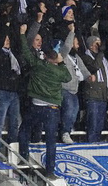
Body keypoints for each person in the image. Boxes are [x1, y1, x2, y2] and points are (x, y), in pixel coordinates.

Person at [17, 23, 71, 176]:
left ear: (45, 56)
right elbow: (68, 77)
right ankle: (50, 171)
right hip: (52, 109)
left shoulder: (38, 65)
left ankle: (23, 158)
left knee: (24, 131)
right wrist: (61, 62)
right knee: (50, 140)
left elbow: (26, 52)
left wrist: (22, 35)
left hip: (36, 106)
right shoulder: (60, 71)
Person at [80, 35, 108, 143]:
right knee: (93, 123)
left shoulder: (104, 59)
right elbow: (94, 67)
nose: (100, 46)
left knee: (100, 123)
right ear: (91, 46)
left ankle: (97, 142)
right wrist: (100, 53)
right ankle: (91, 143)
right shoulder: (86, 57)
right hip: (92, 94)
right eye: (97, 43)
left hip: (103, 94)